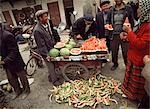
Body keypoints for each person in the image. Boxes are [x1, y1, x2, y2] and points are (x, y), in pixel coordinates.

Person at [120, 0, 150, 102]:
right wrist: (127, 36)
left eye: (139, 8)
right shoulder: (143, 22)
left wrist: (129, 31)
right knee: (130, 79)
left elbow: (141, 44)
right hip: (134, 55)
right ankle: (128, 93)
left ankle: (136, 98)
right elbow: (136, 37)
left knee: (136, 83)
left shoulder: (149, 25)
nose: (137, 10)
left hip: (140, 57)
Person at [0, 22, 30, 100]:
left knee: (22, 78)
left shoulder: (7, 35)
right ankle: (18, 91)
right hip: (7, 64)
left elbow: (14, 51)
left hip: (15, 62)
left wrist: (5, 61)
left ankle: (26, 91)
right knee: (11, 79)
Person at [33, 10, 61, 86]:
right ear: (40, 18)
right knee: (50, 66)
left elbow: (50, 35)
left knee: (53, 65)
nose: (47, 18)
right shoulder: (37, 30)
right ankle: (55, 81)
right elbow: (41, 45)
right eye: (45, 17)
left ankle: (50, 77)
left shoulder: (46, 24)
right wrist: (47, 54)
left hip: (51, 48)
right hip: (46, 51)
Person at [106, 0, 134, 71]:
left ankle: (127, 65)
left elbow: (132, 21)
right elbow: (108, 21)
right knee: (114, 51)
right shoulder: (111, 10)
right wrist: (107, 25)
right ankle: (115, 64)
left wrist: (129, 32)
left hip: (124, 34)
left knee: (126, 52)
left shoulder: (128, 8)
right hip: (114, 34)